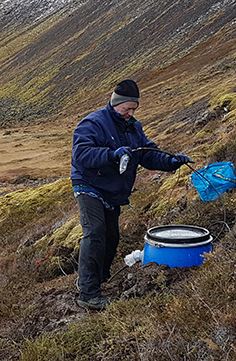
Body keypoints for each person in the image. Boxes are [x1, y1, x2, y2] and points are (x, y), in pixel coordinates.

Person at [71, 79, 193, 310]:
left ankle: (100, 278)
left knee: (112, 237)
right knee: (95, 233)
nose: (130, 113)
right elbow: (82, 154)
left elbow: (147, 155)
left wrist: (172, 161)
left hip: (112, 189)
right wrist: (112, 155)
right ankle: (87, 292)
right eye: (127, 108)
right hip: (88, 184)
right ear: (115, 104)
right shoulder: (94, 123)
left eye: (134, 109)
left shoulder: (134, 128)